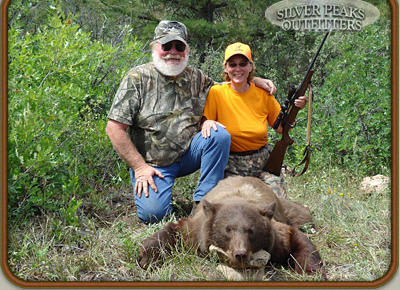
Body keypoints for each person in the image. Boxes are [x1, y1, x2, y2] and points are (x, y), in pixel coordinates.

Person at [106, 21, 276, 223]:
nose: (173, 52)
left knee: (218, 135)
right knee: (153, 216)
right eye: (166, 46)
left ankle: (204, 202)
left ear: (187, 49)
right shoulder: (137, 78)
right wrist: (140, 167)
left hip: (189, 155)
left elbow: (230, 83)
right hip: (154, 164)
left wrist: (255, 81)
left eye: (179, 46)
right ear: (155, 46)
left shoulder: (196, 77)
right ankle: (158, 197)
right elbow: (114, 128)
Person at [202, 42, 307, 198]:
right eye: (233, 64)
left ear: (251, 67)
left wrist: (296, 109)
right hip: (231, 167)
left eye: (243, 64)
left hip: (263, 164)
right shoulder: (216, 92)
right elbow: (207, 123)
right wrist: (206, 122)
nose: (238, 69)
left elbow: (281, 129)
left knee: (279, 204)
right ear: (226, 68)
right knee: (232, 205)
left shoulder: (263, 93)